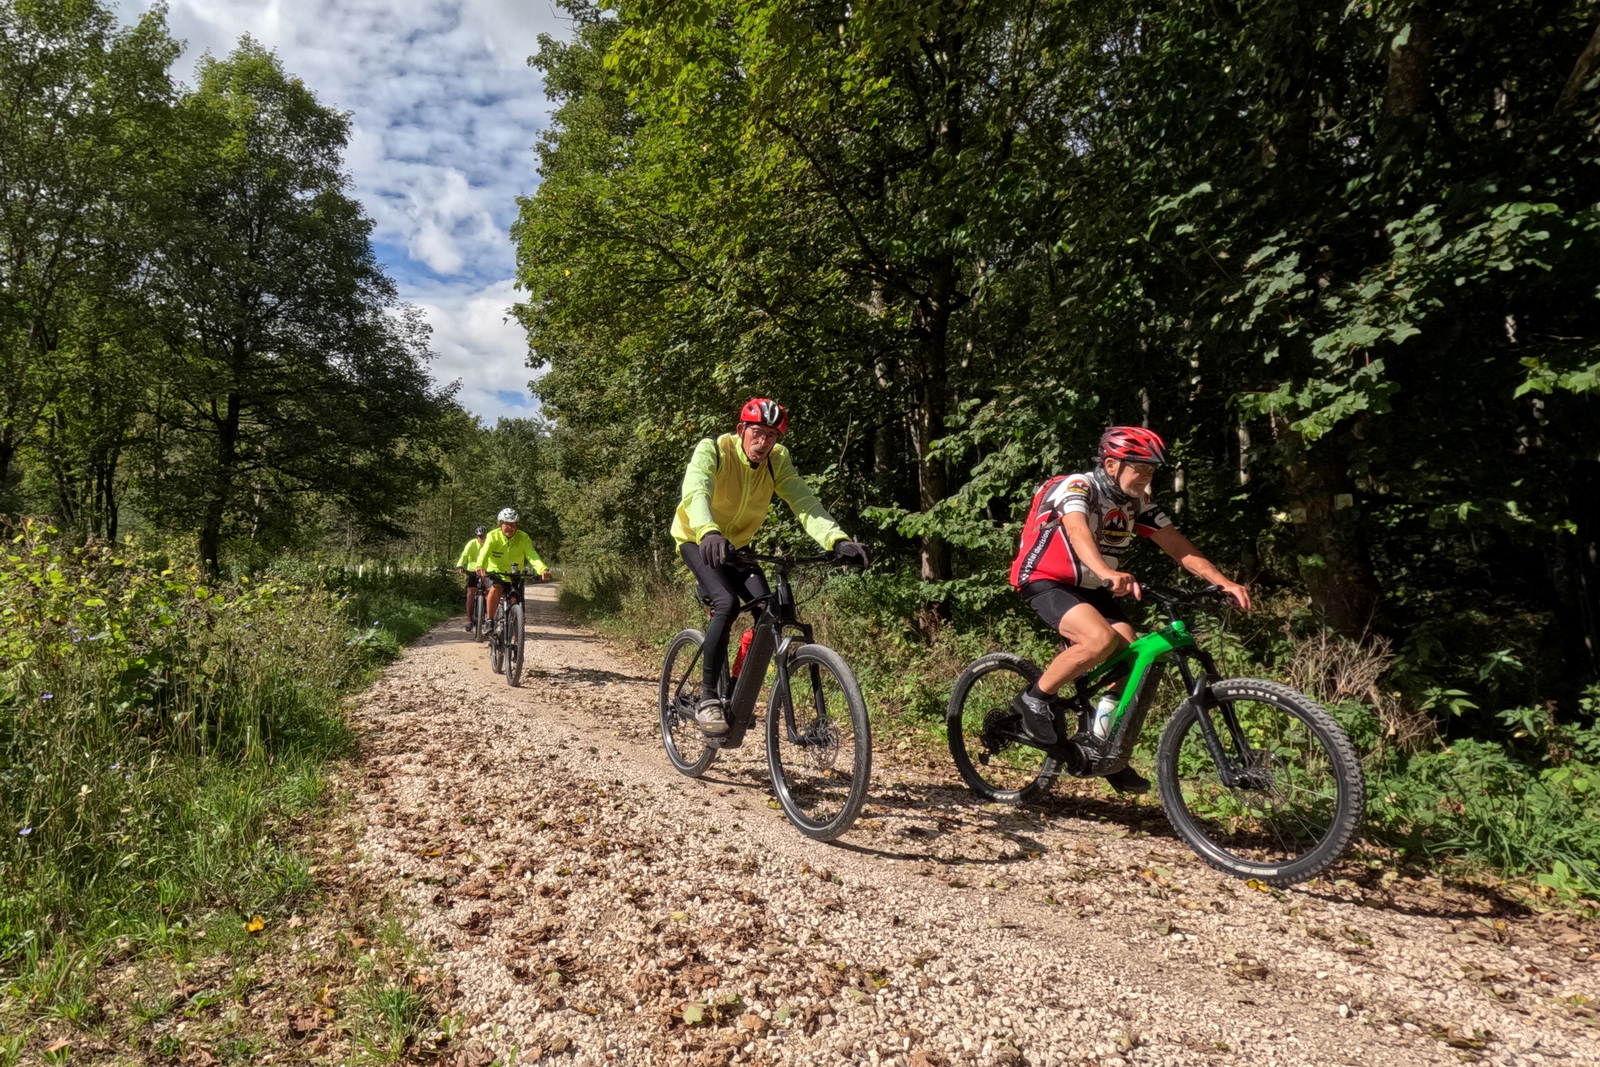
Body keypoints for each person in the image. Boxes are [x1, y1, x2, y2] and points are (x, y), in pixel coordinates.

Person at [1008, 426, 1252, 793]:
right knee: (1097, 640)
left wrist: (1222, 581)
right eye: (1140, 468)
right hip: (1046, 578)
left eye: (1153, 470)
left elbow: (1176, 544)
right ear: (1111, 464)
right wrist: (1107, 571)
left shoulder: (1134, 503)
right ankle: (1034, 698)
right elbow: (1077, 531)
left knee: (1130, 661)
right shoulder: (1078, 486)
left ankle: (1105, 751)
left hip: (1092, 585)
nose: (1148, 476)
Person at [671, 398, 870, 735]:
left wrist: (838, 541)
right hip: (698, 537)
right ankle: (707, 697)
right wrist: (708, 531)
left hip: (739, 546)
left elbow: (804, 502)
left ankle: (736, 691)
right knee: (726, 603)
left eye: (771, 437)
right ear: (741, 431)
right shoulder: (715, 450)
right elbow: (696, 492)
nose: (763, 443)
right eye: (757, 434)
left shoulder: (777, 461)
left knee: (769, 613)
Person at [476, 508, 552, 626]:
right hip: (497, 573)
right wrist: (480, 565)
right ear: (500, 524)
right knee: (495, 589)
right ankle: (490, 620)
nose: (510, 528)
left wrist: (542, 569)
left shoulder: (523, 537)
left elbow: (532, 555)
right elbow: (484, 552)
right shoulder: (492, 536)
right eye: (507, 524)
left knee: (518, 600)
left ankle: (518, 637)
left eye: (513, 524)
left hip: (515, 574)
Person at [456, 525, 490, 631]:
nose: (482, 539)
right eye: (480, 536)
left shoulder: (490, 543)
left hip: (487, 571)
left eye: (484, 536)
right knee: (470, 593)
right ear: (477, 536)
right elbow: (464, 555)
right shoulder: (471, 543)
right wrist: (460, 565)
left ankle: (490, 620)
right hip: (472, 571)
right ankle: (469, 619)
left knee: (490, 593)